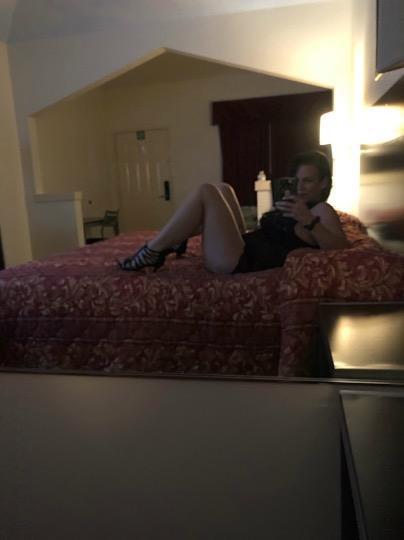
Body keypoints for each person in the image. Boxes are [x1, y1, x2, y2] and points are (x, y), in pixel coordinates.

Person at [118, 150, 349, 274]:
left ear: (323, 183)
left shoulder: (321, 210)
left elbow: (340, 248)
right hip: (246, 246)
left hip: (240, 261)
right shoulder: (298, 204)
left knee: (207, 191)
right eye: (297, 180)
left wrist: (308, 220)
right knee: (223, 189)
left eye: (308, 181)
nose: (300, 187)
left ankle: (151, 251)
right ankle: (175, 240)